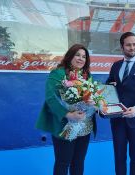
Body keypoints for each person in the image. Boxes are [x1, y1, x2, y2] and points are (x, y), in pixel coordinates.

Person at [36, 44, 96, 175]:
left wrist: (93, 102)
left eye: (84, 56)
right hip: (64, 125)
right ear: (70, 56)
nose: (81, 59)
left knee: (79, 162)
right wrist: (68, 114)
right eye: (78, 55)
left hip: (84, 126)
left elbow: (92, 96)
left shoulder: (87, 76)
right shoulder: (58, 73)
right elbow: (51, 98)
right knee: (63, 162)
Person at [106, 32, 135, 175]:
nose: (132, 48)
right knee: (119, 158)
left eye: (134, 44)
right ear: (122, 47)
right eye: (128, 45)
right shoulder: (115, 66)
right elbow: (109, 86)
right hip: (118, 120)